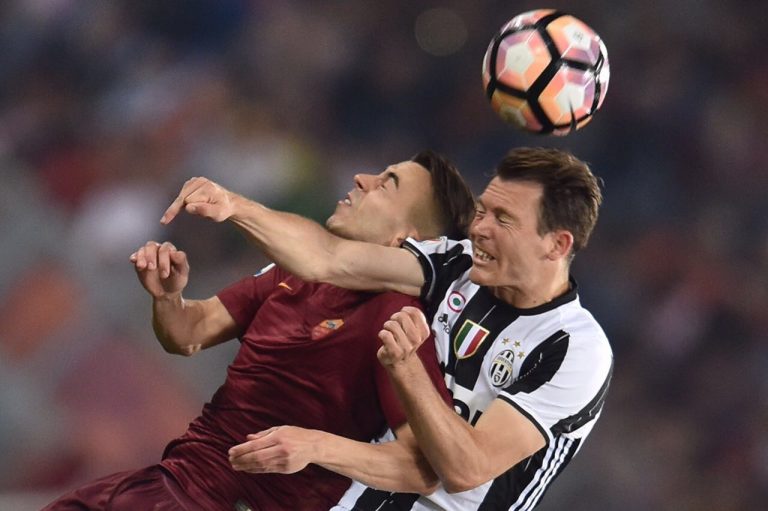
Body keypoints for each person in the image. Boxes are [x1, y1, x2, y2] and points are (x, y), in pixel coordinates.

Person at [168, 147, 613, 510]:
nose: (479, 229)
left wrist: (406, 368)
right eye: (482, 211)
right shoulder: (455, 264)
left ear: (557, 244)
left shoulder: (573, 349)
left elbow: (466, 468)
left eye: (504, 220)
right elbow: (329, 258)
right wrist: (235, 206)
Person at [42, 150, 477, 511]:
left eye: (387, 184)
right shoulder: (296, 273)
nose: (362, 179)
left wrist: (316, 446)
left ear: (406, 241)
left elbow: (423, 467)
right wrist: (169, 297)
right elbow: (188, 334)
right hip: (170, 480)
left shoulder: (398, 319)